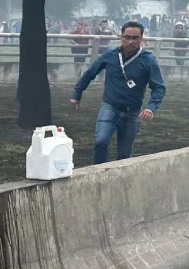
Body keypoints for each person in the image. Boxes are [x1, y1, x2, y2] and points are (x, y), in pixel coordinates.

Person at [71, 21, 165, 165]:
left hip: (133, 112)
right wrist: (77, 93)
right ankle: (99, 172)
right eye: (127, 37)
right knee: (101, 141)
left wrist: (151, 107)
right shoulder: (110, 55)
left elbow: (158, 87)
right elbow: (91, 73)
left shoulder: (148, 60)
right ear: (121, 37)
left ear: (141, 39)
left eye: (135, 38)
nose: (131, 41)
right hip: (110, 106)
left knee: (124, 154)